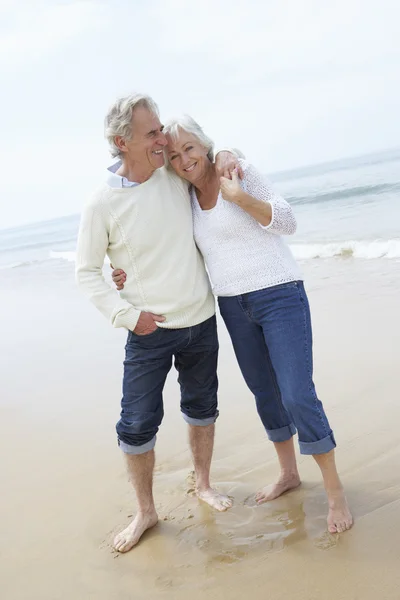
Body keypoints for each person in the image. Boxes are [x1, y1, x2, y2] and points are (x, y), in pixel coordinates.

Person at [113, 115, 353, 534]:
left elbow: (288, 221)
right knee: (265, 393)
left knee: (298, 394)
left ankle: (335, 493)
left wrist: (239, 195)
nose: (183, 158)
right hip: (230, 305)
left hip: (279, 294)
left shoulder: (237, 171)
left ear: (206, 146)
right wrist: (120, 272)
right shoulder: (183, 195)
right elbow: (157, 240)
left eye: (189, 147)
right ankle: (289, 473)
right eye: (173, 154)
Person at [75, 94, 240, 553]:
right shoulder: (101, 204)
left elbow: (209, 160)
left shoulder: (173, 173)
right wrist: (126, 315)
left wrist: (229, 153)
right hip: (148, 331)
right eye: (152, 133)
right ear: (120, 142)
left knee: (203, 406)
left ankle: (203, 483)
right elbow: (86, 272)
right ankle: (146, 511)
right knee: (136, 425)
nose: (162, 138)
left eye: (160, 128)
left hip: (201, 319)